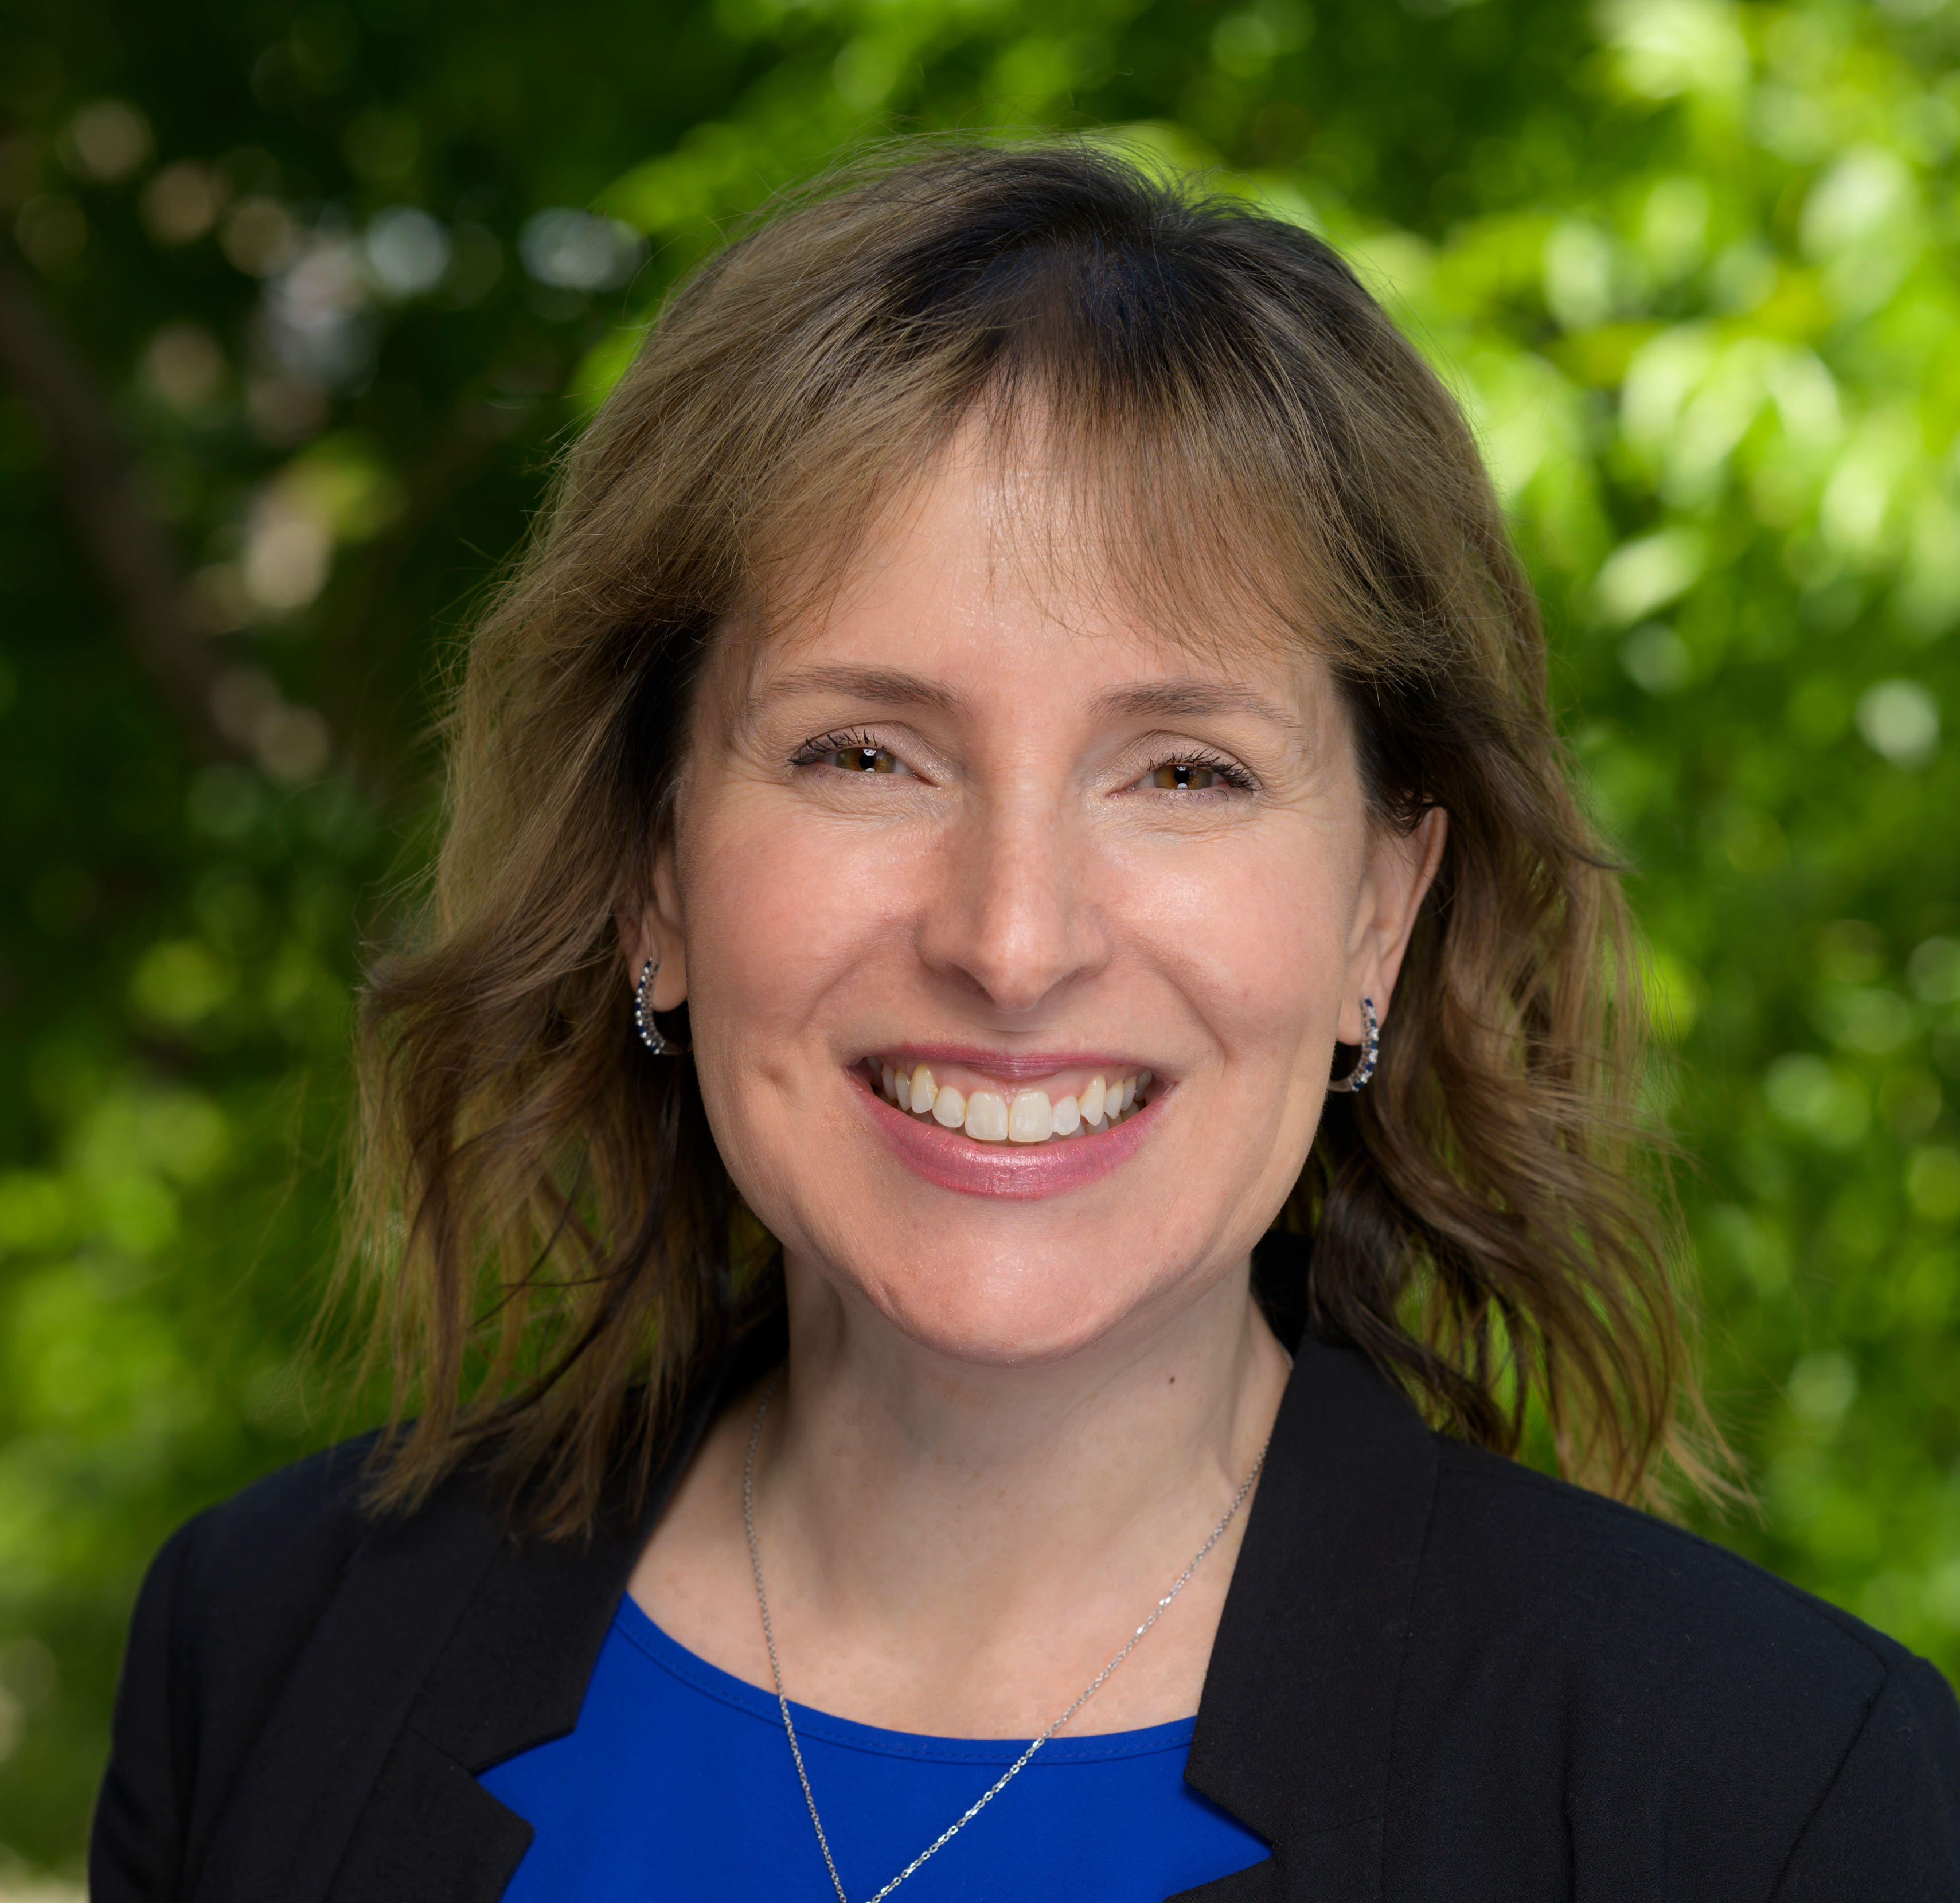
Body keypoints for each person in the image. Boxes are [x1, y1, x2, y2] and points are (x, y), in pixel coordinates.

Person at [90, 145, 1959, 1903]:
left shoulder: (1766, 1797)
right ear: (656, 865)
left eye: (1183, 770)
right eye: (863, 753)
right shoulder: (267, 1650)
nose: (1008, 936)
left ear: (1377, 914)